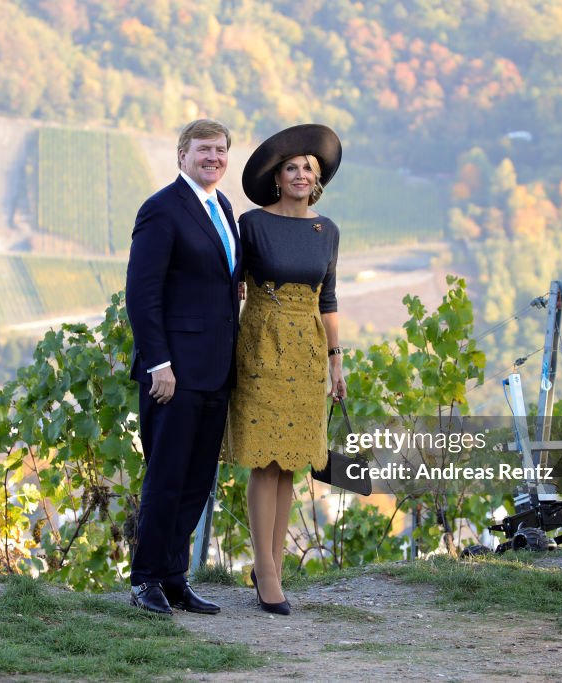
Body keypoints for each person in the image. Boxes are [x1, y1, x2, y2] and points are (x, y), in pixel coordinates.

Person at [125, 119, 241, 615]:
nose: (213, 157)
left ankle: (174, 577)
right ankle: (145, 579)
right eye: (203, 150)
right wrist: (160, 364)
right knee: (167, 477)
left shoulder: (224, 208)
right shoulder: (160, 210)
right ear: (181, 155)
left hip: (216, 370)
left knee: (196, 480)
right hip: (173, 374)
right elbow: (141, 293)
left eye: (220, 150)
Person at [230, 124, 345, 616]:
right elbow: (230, 283)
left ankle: (269, 566)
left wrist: (337, 362)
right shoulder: (251, 223)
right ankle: (268, 575)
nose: (301, 175)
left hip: (309, 352)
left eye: (309, 169)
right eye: (292, 168)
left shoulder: (329, 230)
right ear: (277, 178)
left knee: (291, 460)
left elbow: (330, 298)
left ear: (317, 181)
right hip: (262, 344)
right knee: (264, 459)